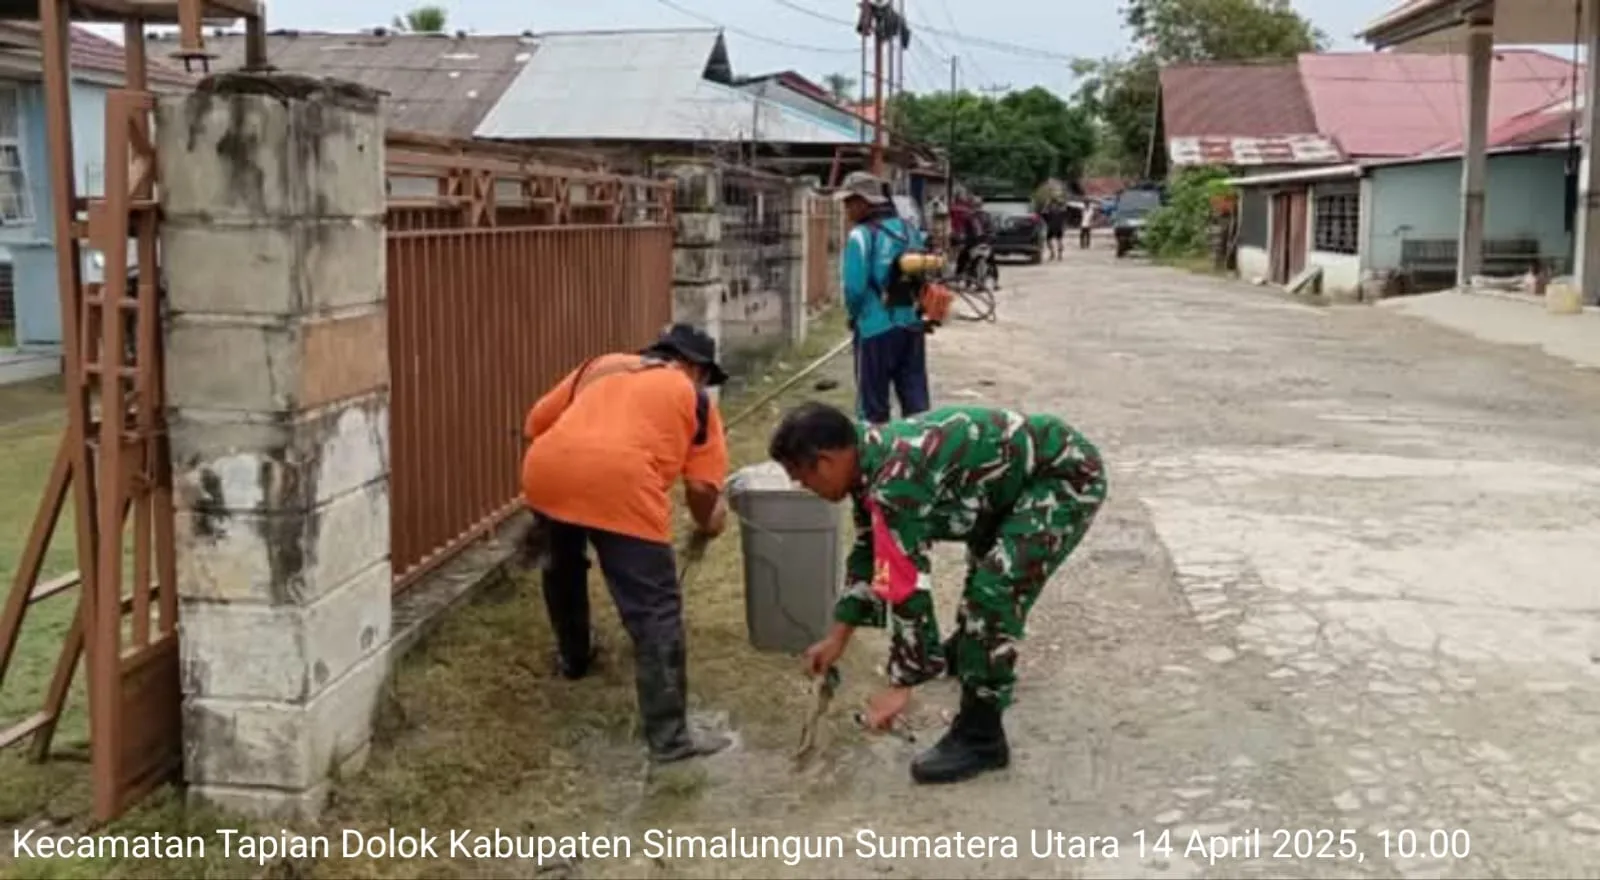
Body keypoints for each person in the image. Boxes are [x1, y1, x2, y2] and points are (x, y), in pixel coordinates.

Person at [768, 402, 1109, 785]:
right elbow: (871, 554)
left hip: (1063, 477)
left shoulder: (894, 479)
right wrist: (837, 638)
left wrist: (901, 685)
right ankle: (968, 653)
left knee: (993, 596)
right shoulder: (868, 464)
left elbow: (906, 584)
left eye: (801, 477)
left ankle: (981, 736)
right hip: (1009, 488)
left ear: (825, 462)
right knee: (984, 572)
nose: (803, 488)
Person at [520, 323, 733, 763]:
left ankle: (574, 659)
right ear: (696, 368)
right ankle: (670, 740)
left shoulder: (600, 365)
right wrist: (710, 522)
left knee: (563, 566)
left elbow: (535, 423)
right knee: (655, 609)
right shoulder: (695, 399)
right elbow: (701, 490)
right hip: (621, 484)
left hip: (547, 470)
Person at [836, 171, 931, 425]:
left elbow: (854, 289)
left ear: (864, 202)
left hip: (874, 329)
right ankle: (922, 445)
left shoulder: (861, 235)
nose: (846, 209)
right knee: (916, 402)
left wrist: (853, 316)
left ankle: (878, 449)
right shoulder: (909, 230)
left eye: (849, 202)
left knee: (873, 409)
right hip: (911, 325)